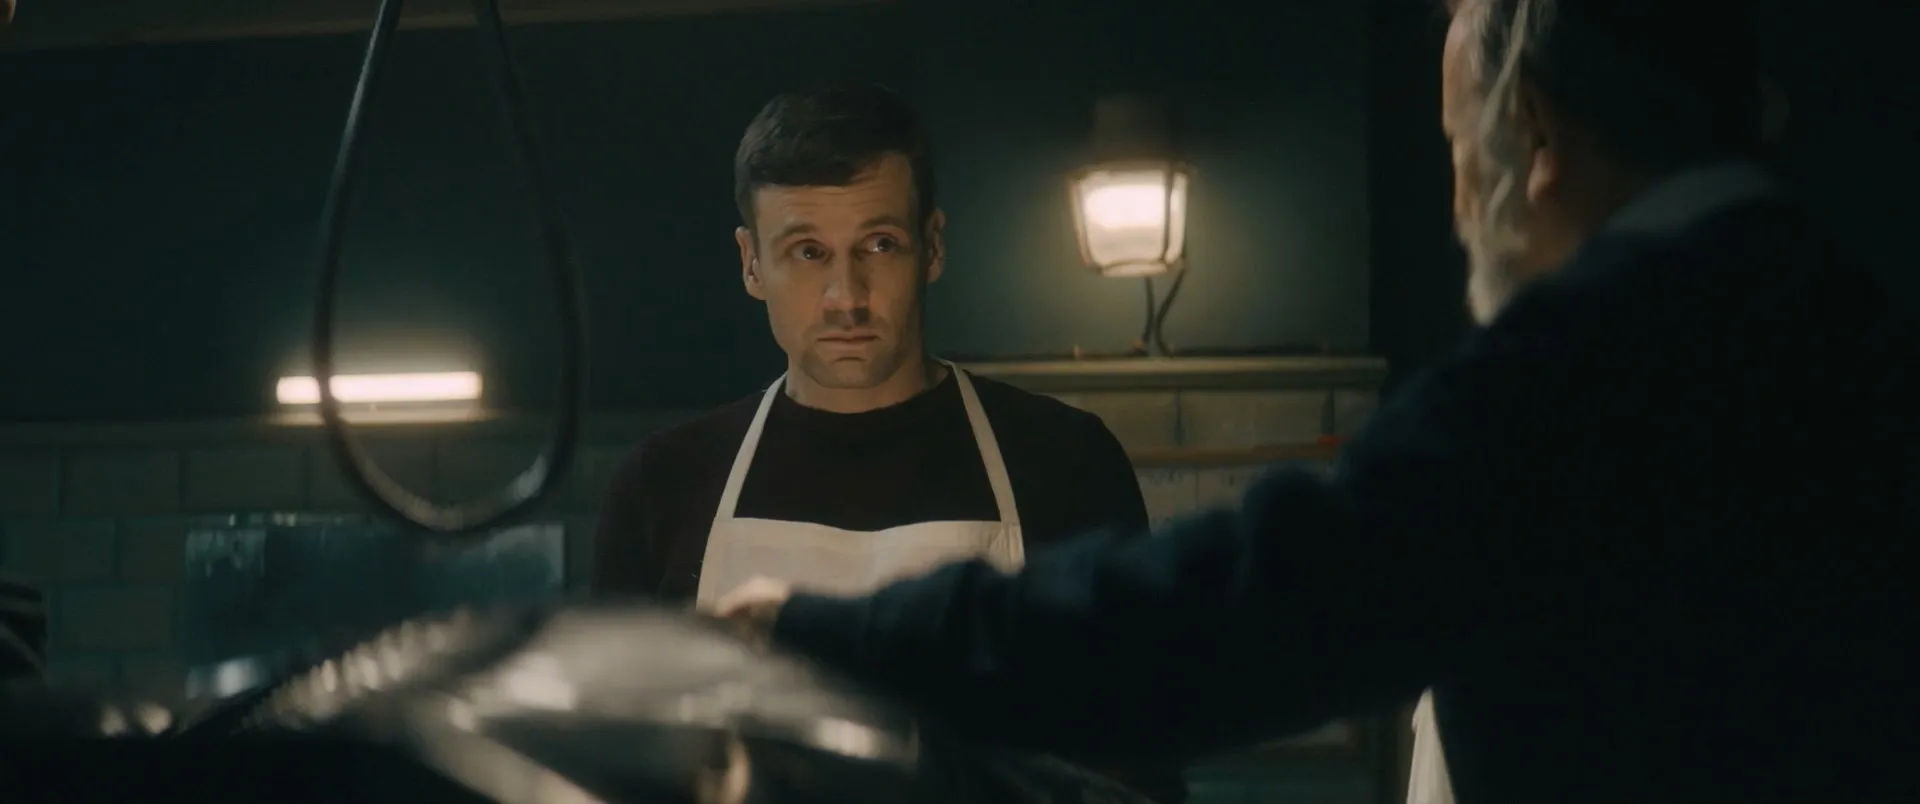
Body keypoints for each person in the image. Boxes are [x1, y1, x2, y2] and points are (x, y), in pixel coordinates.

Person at [709, 2, 1920, 803]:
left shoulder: (1582, 377)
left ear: (1535, 137)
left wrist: (842, 637)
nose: (1461, 205)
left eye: (1459, 147)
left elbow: (1242, 609)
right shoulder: (1840, 315)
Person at [589, 83, 1187, 804]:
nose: (847, 296)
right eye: (807, 252)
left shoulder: (1065, 461)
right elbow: (607, 767)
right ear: (751, 263)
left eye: (879, 245)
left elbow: (1137, 765)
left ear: (931, 246)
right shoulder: (664, 484)